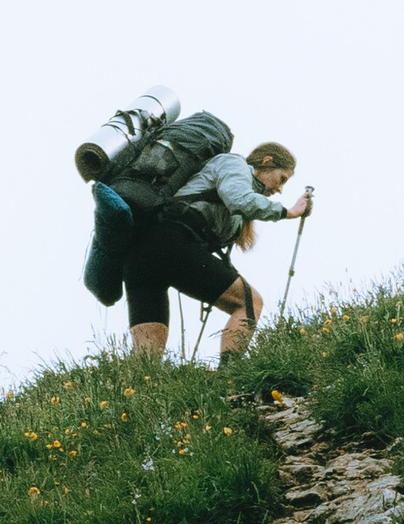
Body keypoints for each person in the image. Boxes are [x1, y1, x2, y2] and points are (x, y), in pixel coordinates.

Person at [120, 139, 312, 361]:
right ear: (267, 161)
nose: (279, 189)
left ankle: (138, 392)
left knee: (147, 357)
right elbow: (240, 199)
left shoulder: (232, 184)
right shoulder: (235, 165)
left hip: (141, 255)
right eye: (281, 179)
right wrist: (289, 212)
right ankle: (230, 379)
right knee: (249, 302)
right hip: (172, 241)